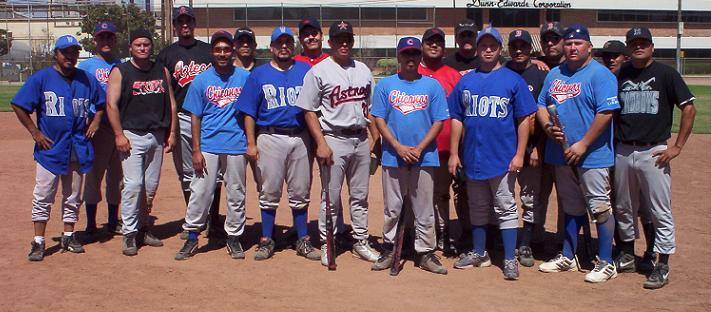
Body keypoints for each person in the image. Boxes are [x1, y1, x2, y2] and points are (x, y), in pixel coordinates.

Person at [448, 26, 536, 280]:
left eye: (492, 46)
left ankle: (509, 258)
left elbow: (523, 120)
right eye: (483, 46)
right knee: (477, 206)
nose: (487, 50)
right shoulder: (466, 80)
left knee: (505, 207)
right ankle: (479, 252)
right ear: (477, 49)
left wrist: (519, 154)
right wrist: (454, 153)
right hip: (473, 156)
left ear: (500, 49)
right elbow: (456, 119)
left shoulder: (512, 80)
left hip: (502, 156)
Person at [613, 27, 696, 289]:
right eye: (633, 43)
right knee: (624, 208)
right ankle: (627, 253)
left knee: (660, 210)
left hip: (654, 151)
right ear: (628, 48)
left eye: (643, 42)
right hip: (624, 149)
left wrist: (678, 146)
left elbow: (689, 108)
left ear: (652, 46)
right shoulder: (620, 74)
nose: (638, 46)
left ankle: (662, 263)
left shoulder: (666, 74)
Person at [536, 24, 620, 283]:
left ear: (589, 48)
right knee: (571, 206)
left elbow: (605, 113)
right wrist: (549, 128)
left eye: (578, 44)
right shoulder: (555, 75)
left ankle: (606, 262)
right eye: (569, 43)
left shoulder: (601, 75)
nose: (572, 48)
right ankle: (568, 256)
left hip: (592, 154)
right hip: (561, 153)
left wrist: (583, 143)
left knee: (600, 207)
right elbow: (541, 105)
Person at [295, 20, 381, 266]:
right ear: (330, 42)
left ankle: (360, 241)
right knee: (330, 196)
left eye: (348, 39)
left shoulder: (363, 70)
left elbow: (371, 110)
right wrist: (321, 142)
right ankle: (327, 242)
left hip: (361, 138)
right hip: (333, 138)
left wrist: (376, 139)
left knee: (360, 196)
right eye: (339, 39)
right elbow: (308, 111)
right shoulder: (319, 71)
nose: (344, 43)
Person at [14, 35, 104, 261]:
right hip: (51, 149)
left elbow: (102, 103)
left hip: (77, 147)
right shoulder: (42, 78)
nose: (70, 56)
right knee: (43, 196)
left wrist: (95, 121)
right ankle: (38, 241)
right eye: (65, 52)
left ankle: (69, 235)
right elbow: (19, 104)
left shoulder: (86, 79)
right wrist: (35, 132)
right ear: (56, 54)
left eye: (74, 52)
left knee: (73, 196)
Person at [236, 26, 320, 261]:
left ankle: (302, 239)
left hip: (300, 137)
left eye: (287, 42)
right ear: (271, 47)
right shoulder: (259, 74)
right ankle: (266, 239)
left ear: (293, 46)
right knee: (269, 191)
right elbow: (249, 112)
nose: (283, 46)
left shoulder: (305, 70)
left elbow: (314, 107)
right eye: (279, 42)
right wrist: (251, 143)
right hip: (270, 136)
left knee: (300, 191)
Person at [370, 37, 449, 274]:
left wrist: (418, 148)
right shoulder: (386, 85)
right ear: (399, 57)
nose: (411, 58)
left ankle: (425, 252)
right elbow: (379, 119)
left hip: (425, 156)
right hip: (393, 155)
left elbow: (439, 121)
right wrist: (397, 146)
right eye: (406, 54)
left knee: (424, 207)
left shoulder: (432, 86)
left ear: (420, 56)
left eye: (415, 54)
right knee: (392, 207)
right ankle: (390, 248)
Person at [174, 31, 251, 261]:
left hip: (236, 145)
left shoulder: (244, 77)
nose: (222, 53)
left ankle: (234, 237)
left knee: (236, 193)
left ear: (233, 51)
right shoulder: (201, 80)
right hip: (208, 144)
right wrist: (196, 149)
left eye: (226, 49)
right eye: (218, 49)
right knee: (201, 192)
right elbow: (195, 116)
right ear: (212, 53)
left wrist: (250, 142)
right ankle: (192, 237)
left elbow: (249, 113)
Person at [106, 29, 177, 256]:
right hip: (132, 135)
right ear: (130, 48)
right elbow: (111, 104)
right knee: (134, 185)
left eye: (146, 44)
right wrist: (119, 134)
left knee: (150, 187)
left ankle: (144, 229)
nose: (143, 48)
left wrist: (172, 132)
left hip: (156, 135)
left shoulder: (161, 70)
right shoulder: (121, 71)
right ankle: (129, 233)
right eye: (138, 45)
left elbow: (172, 103)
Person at [157, 6, 218, 238]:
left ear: (194, 24)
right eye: (180, 21)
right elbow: (163, 93)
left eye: (188, 21)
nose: (184, 25)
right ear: (174, 25)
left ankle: (213, 219)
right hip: (181, 117)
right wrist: (168, 127)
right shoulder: (166, 54)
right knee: (186, 173)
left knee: (213, 171)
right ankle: (194, 218)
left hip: (209, 118)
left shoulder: (207, 51)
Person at [417, 27, 464, 256]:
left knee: (442, 193)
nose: (434, 46)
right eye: (430, 42)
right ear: (422, 46)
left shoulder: (452, 74)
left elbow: (460, 113)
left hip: (445, 148)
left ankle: (444, 233)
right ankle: (420, 235)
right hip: (419, 149)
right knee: (418, 193)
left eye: (438, 42)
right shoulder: (412, 70)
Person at [505, 29, 549, 267]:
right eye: (515, 46)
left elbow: (544, 116)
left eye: (523, 46)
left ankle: (527, 242)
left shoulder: (541, 74)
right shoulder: (502, 72)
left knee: (530, 198)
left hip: (533, 145)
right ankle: (505, 239)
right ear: (509, 49)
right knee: (504, 197)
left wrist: (538, 148)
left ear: (530, 48)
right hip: (504, 147)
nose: (519, 50)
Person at [78, 21, 123, 236]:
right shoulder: (86, 67)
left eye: (109, 37)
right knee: (94, 177)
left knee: (117, 179)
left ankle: (114, 222)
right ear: (95, 40)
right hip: (96, 129)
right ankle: (91, 224)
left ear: (114, 40)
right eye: (102, 37)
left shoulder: (121, 64)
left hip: (119, 128)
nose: (106, 40)